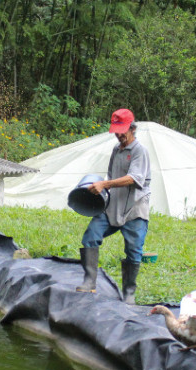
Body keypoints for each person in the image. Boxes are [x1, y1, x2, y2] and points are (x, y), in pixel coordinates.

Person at [76, 108, 151, 304]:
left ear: (132, 128)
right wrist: (99, 190)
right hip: (112, 206)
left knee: (134, 250)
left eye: (122, 130)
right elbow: (110, 177)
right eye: (116, 131)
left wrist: (105, 184)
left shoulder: (139, 151)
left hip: (134, 210)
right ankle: (89, 281)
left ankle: (129, 293)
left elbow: (134, 179)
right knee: (90, 236)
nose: (119, 135)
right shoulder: (116, 151)